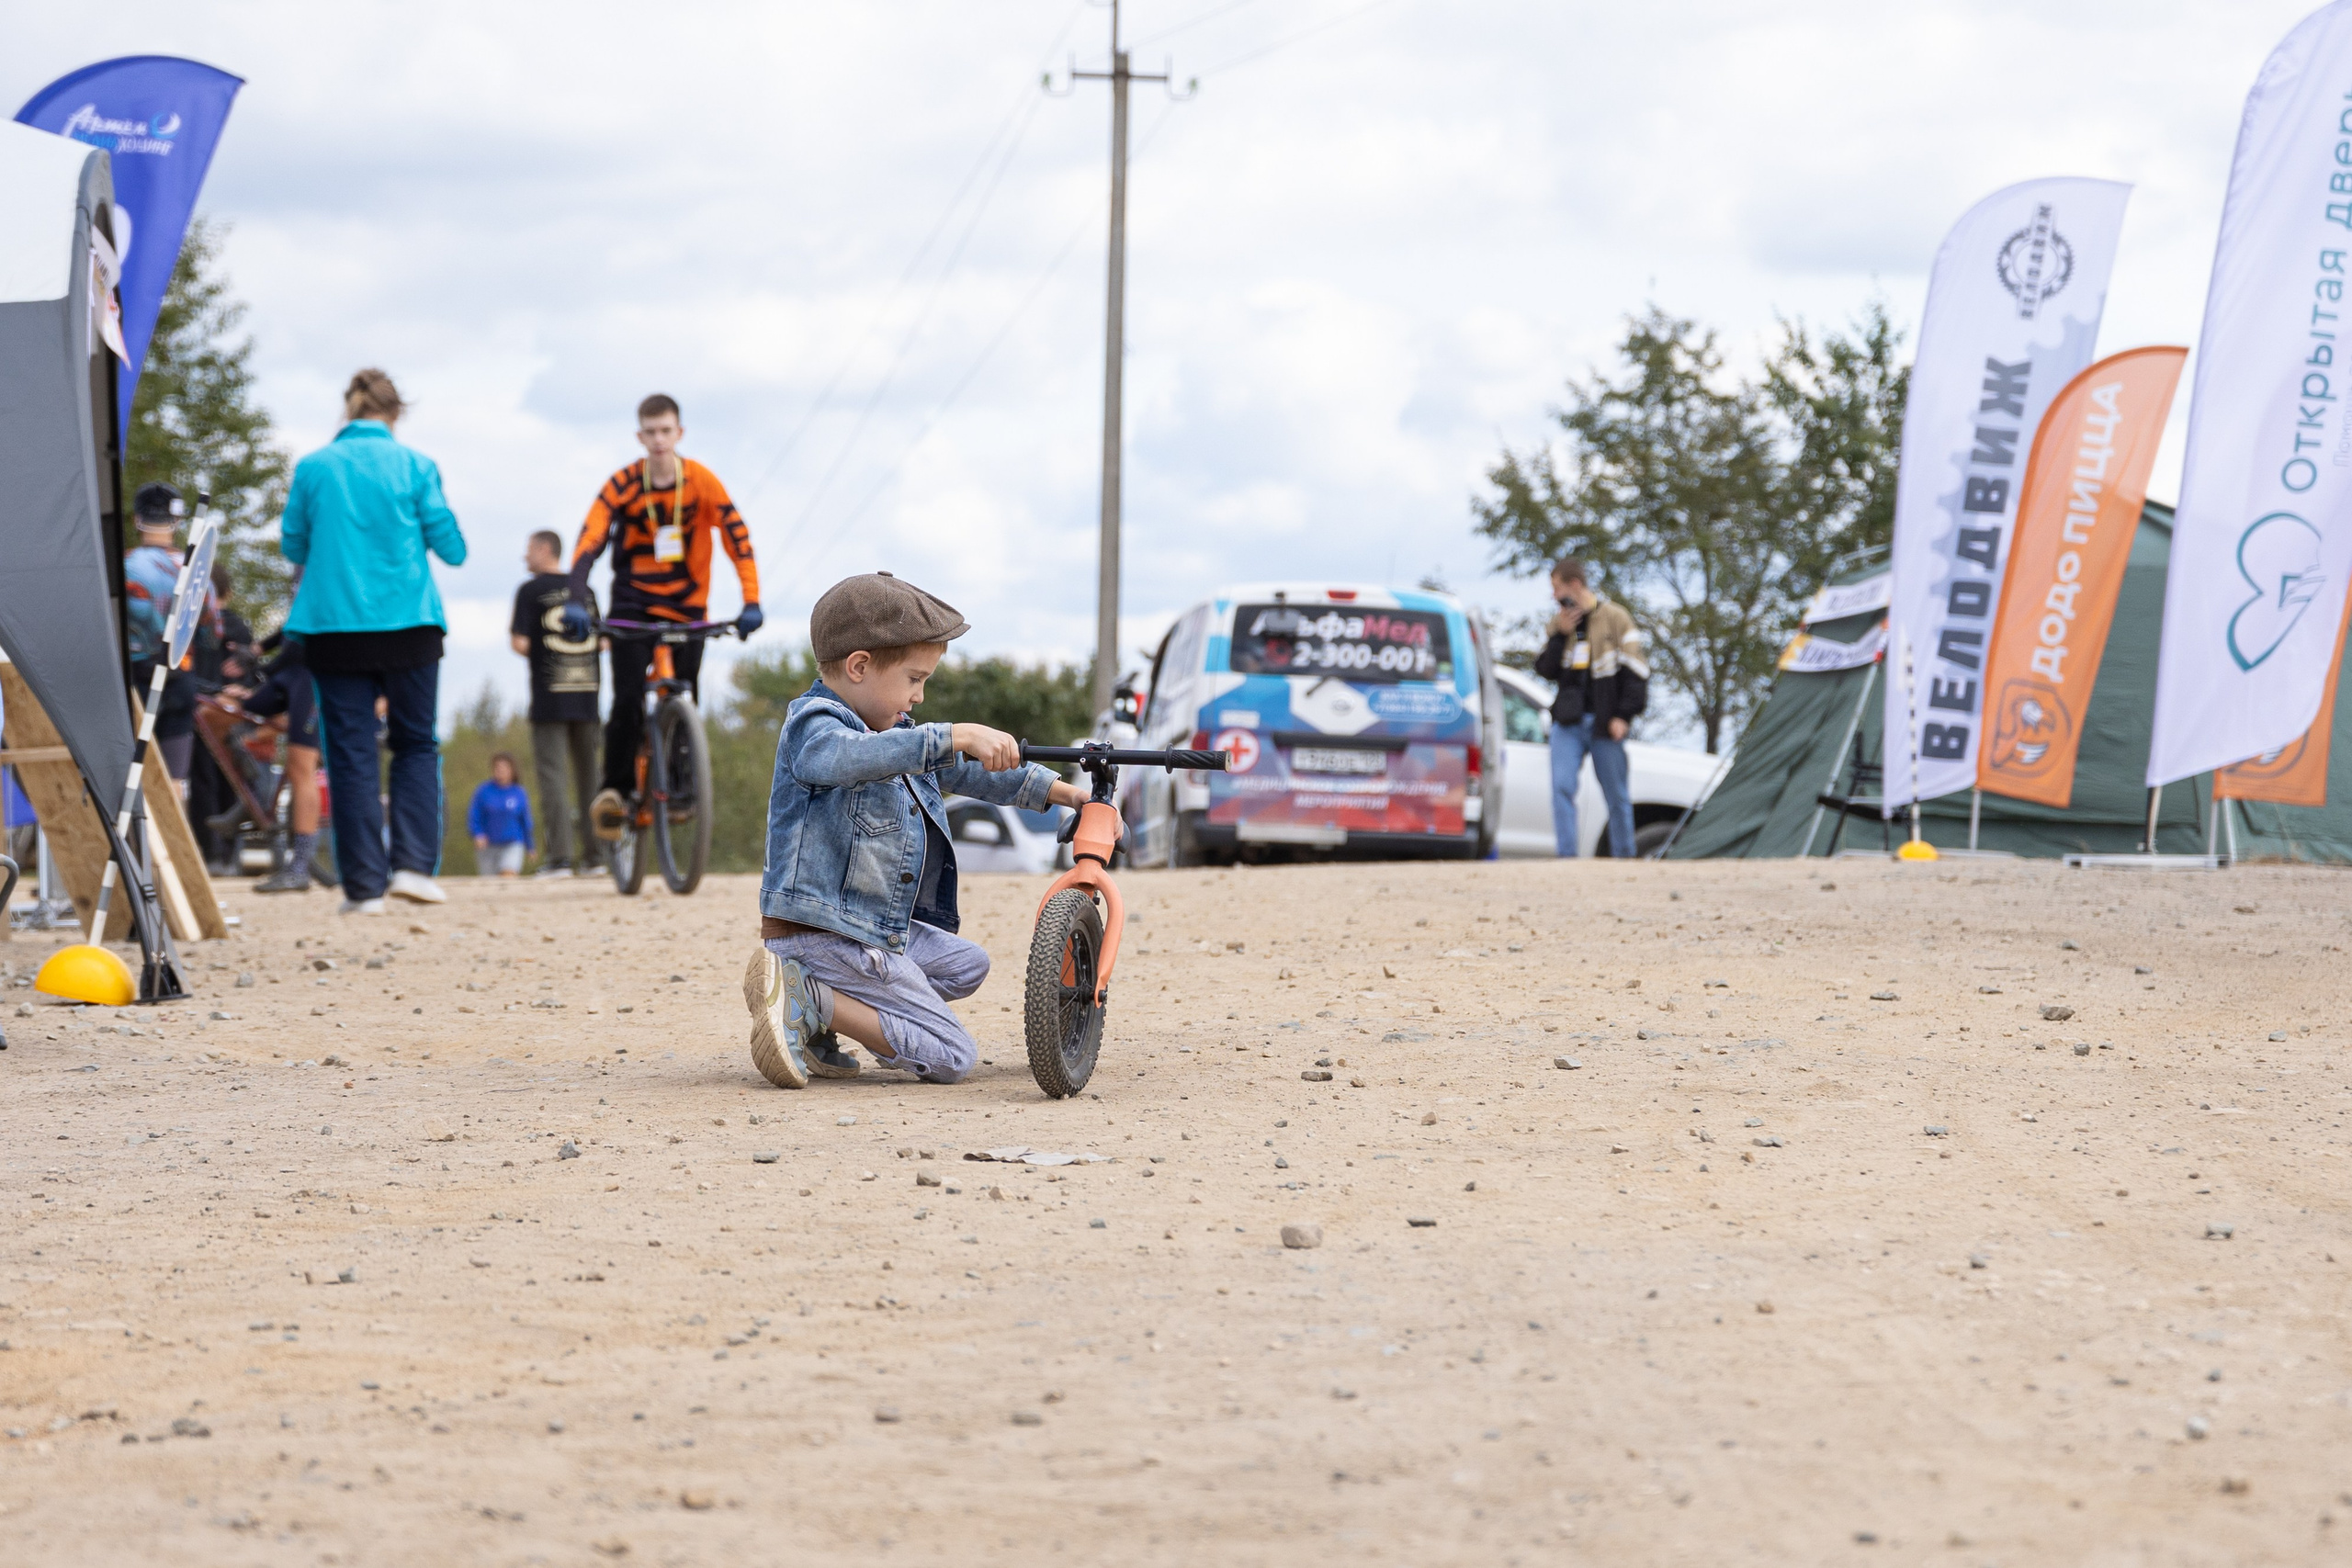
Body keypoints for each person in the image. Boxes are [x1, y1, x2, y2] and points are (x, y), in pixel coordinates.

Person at [742, 572, 1091, 1089]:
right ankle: (807, 997)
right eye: (914, 678)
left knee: (967, 965)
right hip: (822, 934)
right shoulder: (815, 726)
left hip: (865, 926)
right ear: (859, 666)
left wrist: (1064, 793)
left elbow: (967, 769)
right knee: (953, 1056)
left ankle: (823, 1014)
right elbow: (849, 757)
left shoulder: (895, 733)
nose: (921, 696)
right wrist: (952, 734)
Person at [278, 368, 467, 915]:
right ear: (396, 413)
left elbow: (293, 543)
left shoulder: (314, 467)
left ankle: (363, 889)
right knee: (414, 743)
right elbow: (452, 549)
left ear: (349, 409)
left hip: (334, 626)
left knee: (350, 753)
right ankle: (412, 868)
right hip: (410, 620)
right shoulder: (417, 466)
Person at [562, 394, 761, 841]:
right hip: (632, 608)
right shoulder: (624, 484)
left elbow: (737, 537)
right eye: (649, 432)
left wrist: (751, 601)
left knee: (686, 696)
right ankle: (614, 791)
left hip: (689, 608)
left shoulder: (701, 482)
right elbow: (589, 538)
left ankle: (685, 787)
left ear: (679, 434)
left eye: (665, 431)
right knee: (628, 700)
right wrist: (576, 597)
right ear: (639, 436)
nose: (658, 439)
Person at [1532, 556, 1648, 858]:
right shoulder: (1558, 624)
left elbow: (1637, 672)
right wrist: (1559, 634)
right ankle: (1567, 859)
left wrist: (1623, 715)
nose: (1554, 596)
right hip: (1568, 722)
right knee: (1562, 787)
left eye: (1556, 588)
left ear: (1574, 585)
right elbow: (1545, 669)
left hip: (1605, 722)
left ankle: (1625, 860)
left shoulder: (1615, 618)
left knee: (1617, 795)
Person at [511, 529, 601, 877]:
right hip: (588, 694)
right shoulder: (586, 591)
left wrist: (545, 652)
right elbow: (602, 640)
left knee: (553, 777)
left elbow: (519, 642)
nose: (525, 557)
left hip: (550, 697)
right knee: (591, 776)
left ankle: (561, 859)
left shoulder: (530, 591)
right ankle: (596, 857)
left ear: (545, 549)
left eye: (529, 549)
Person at [123, 482, 199, 787]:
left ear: (136, 519)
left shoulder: (124, 564)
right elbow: (211, 629)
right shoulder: (194, 566)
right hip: (180, 675)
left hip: (135, 676)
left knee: (131, 776)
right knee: (175, 783)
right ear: (177, 522)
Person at [242, 631, 327, 893]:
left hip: (313, 671)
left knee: (301, 769)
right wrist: (259, 650)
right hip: (288, 674)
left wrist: (263, 664)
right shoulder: (302, 591)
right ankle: (244, 806)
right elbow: (292, 627)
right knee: (218, 711)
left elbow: (305, 632)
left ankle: (299, 866)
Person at [468, 753, 534, 876]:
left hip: (512, 843)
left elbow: (525, 821)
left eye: (505, 767)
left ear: (512, 770)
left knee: (508, 875)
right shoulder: (483, 791)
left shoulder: (519, 793)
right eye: (497, 767)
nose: (501, 770)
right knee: (490, 884)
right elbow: (474, 815)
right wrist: (477, 834)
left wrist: (530, 846)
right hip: (487, 846)